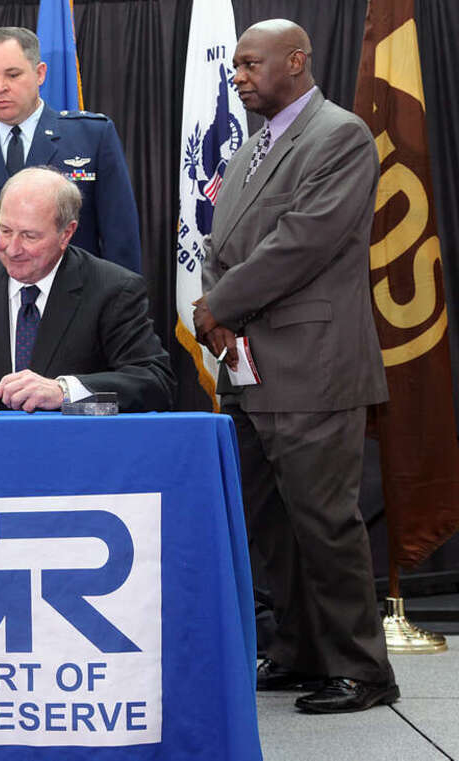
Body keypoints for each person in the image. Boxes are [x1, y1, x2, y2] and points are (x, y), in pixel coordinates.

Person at [194, 19, 397, 713]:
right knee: (273, 526)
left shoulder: (339, 137)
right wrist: (222, 313)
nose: (240, 76)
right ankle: (301, 651)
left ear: (297, 60)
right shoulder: (254, 146)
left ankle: (363, 668)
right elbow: (228, 246)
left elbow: (301, 243)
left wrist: (216, 305)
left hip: (313, 368)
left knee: (324, 521)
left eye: (252, 65)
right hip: (250, 369)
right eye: (237, 67)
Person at [0, 26, 141, 371]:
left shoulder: (91, 136)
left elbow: (121, 243)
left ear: (40, 73)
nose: (0, 87)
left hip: (77, 322)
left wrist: (124, 325)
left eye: (12, 74)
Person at [0, 167, 174, 413]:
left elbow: (155, 383)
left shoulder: (113, 289)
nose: (12, 248)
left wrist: (64, 392)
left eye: (29, 236)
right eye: (5, 230)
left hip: (74, 454)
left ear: (66, 234)